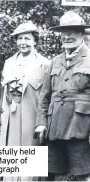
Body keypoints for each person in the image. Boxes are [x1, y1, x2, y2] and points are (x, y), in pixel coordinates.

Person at [35, 11, 90, 181]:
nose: (67, 36)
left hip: (81, 126)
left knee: (83, 174)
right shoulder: (55, 61)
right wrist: (41, 123)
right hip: (55, 126)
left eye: (72, 32)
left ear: (82, 34)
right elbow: (45, 96)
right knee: (56, 174)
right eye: (64, 33)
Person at [0, 22, 50, 181]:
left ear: (35, 41)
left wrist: (44, 122)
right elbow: (2, 93)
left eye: (27, 38)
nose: (23, 42)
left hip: (32, 119)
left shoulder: (45, 64)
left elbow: (47, 96)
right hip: (10, 120)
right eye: (19, 39)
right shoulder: (8, 63)